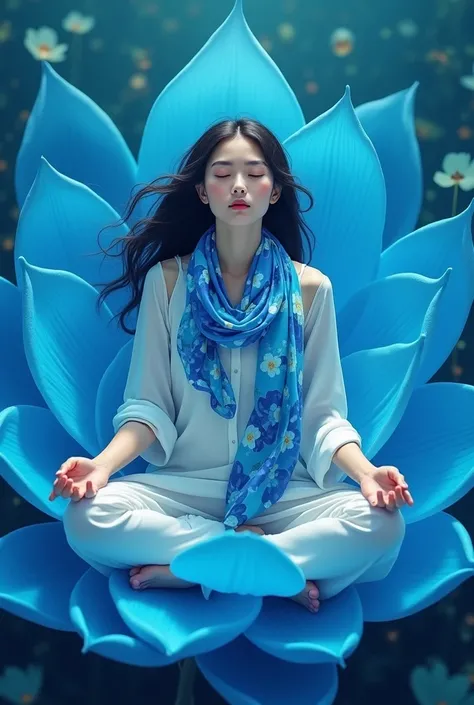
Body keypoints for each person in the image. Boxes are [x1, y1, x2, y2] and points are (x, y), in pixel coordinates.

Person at [50, 118, 413, 614]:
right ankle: (264, 565)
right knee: (86, 518)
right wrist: (101, 466)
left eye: (254, 173)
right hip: (185, 491)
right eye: (222, 173)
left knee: (383, 525)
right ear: (201, 191)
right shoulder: (169, 282)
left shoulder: (311, 290)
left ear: (276, 189)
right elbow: (148, 406)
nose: (238, 185)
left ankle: (196, 566)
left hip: (284, 492)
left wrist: (368, 474)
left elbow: (322, 416)